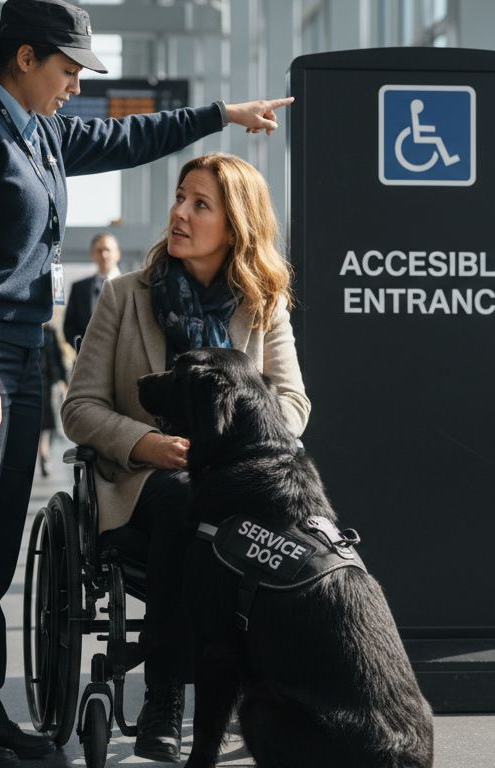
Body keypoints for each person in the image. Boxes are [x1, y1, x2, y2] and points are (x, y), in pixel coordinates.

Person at [0, 0, 294, 764]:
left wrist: (221, 113)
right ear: (25, 59)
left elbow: (127, 137)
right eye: (69, 69)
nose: (75, 85)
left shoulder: (38, 130)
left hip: (16, 359)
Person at [62, 152, 310, 761]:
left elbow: (294, 402)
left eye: (200, 205)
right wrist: (144, 442)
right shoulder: (124, 297)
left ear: (236, 225)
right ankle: (166, 691)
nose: (179, 213)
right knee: (180, 501)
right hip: (145, 484)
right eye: (180, 198)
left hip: (233, 485)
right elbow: (81, 408)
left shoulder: (264, 304)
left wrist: (235, 443)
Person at [61, 232, 121, 349]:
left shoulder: (132, 286)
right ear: (93, 254)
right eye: (99, 250)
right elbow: (69, 327)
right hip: (88, 360)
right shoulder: (79, 288)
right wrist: (84, 349)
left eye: (108, 250)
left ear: (117, 254)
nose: (104, 255)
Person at [36, 322, 67, 477]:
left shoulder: (51, 331)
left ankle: (44, 453)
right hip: (33, 381)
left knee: (46, 424)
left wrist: (62, 381)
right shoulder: (31, 327)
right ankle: (43, 454)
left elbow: (58, 356)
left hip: (49, 382)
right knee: (40, 423)